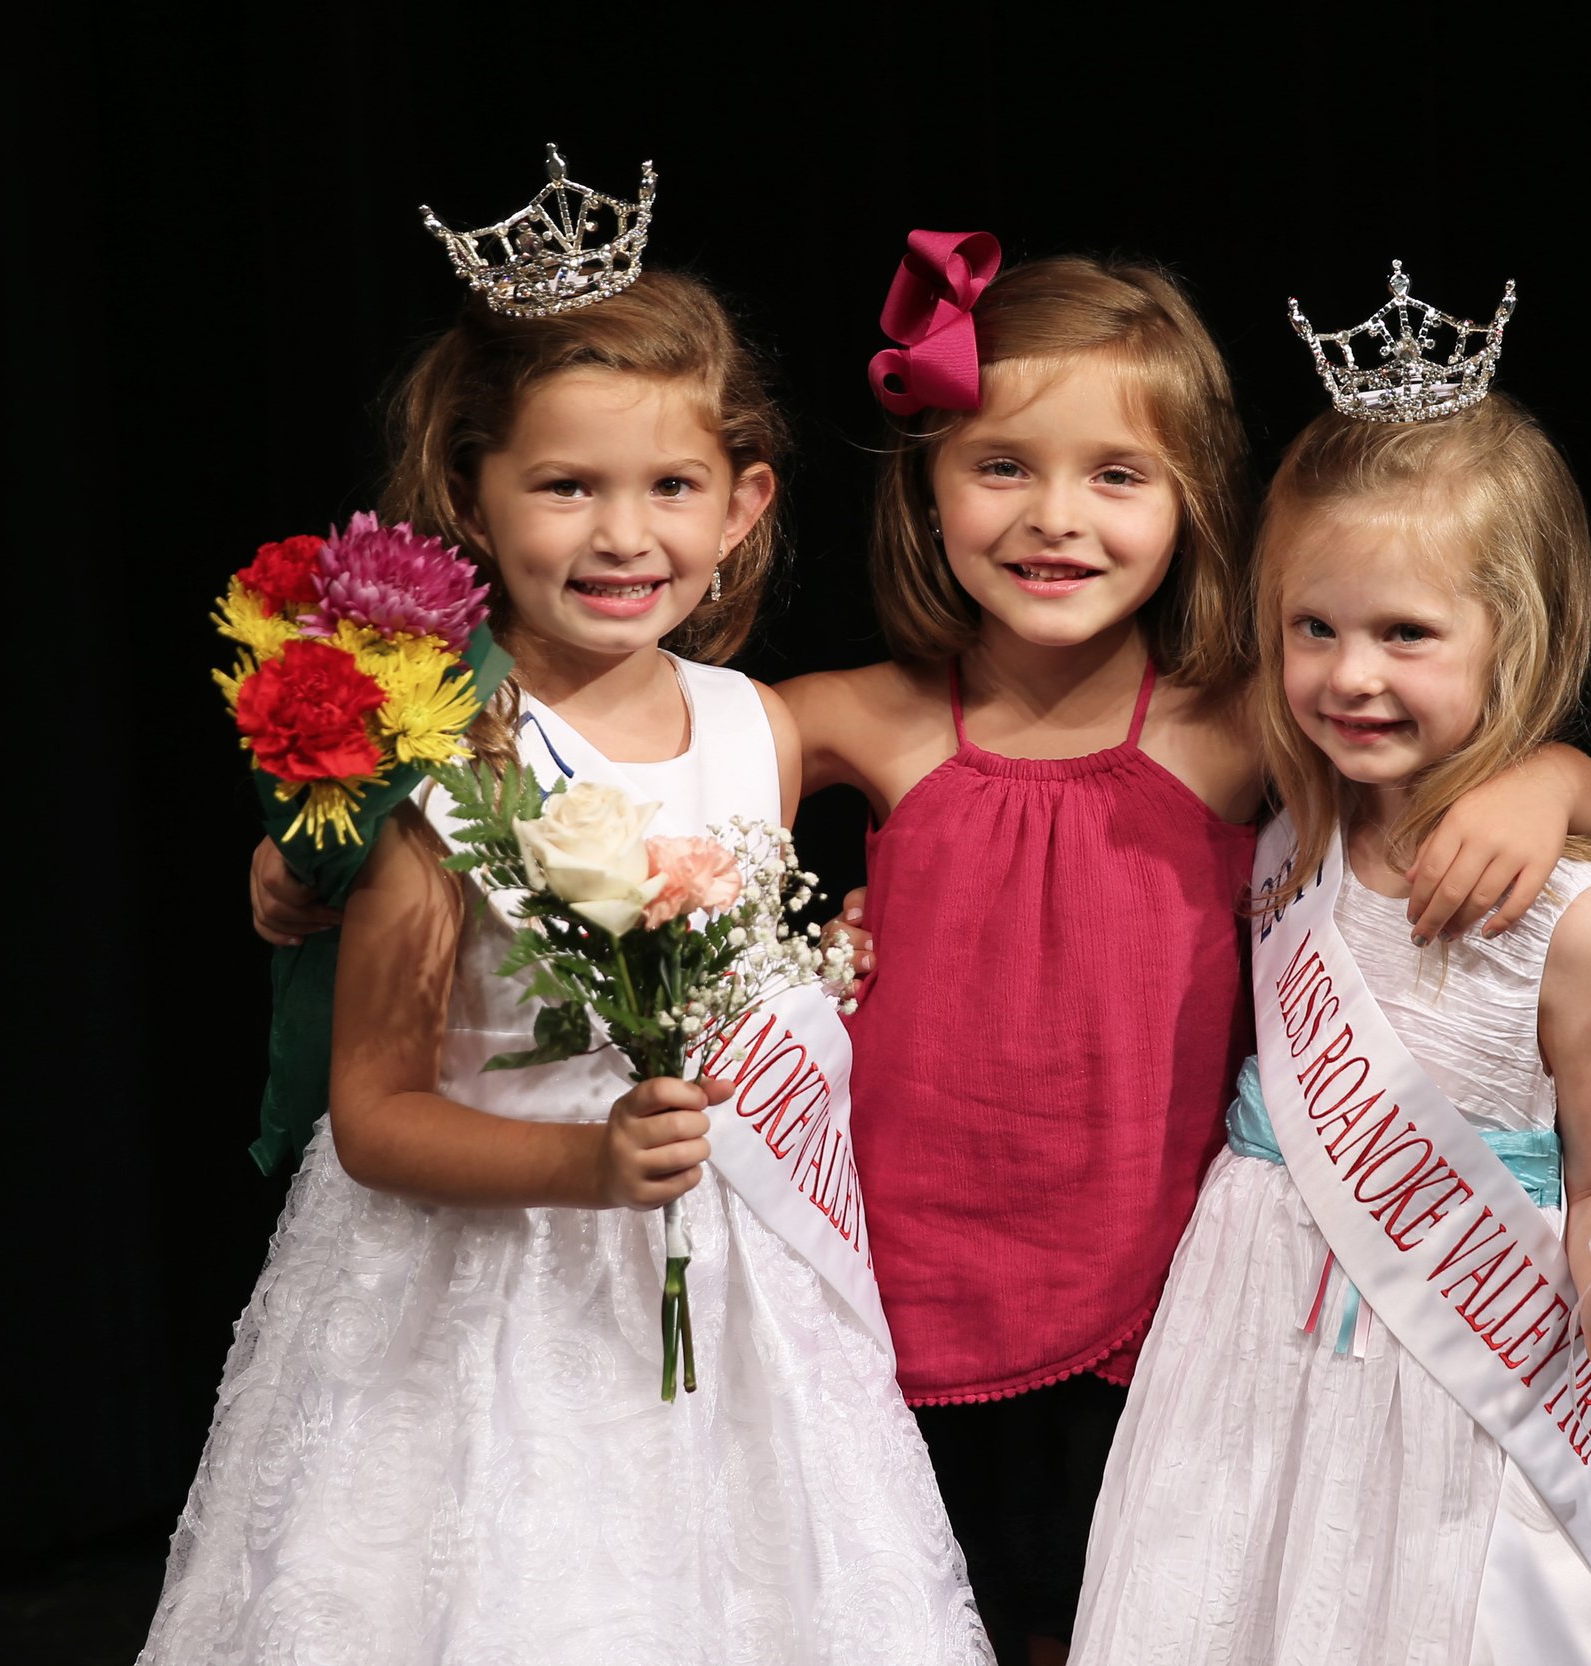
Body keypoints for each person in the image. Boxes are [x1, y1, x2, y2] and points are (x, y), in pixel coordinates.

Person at [144, 162, 990, 1665]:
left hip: (731, 1310)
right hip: (487, 1316)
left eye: (669, 488)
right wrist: (586, 1163)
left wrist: (823, 960)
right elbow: (375, 1116)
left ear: (744, 505)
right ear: (471, 494)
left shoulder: (760, 731)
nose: (622, 536)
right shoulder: (443, 762)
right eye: (566, 486)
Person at [778, 235, 1591, 1664]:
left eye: (1117, 474)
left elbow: (1466, 757)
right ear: (925, 484)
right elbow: (631, 758)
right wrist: (314, 854)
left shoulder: (1243, 727)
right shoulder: (860, 719)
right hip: (900, 1324)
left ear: (1193, 506)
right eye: (1002, 466)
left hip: (1159, 1331)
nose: (1056, 518)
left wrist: (1556, 783)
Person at [1070, 373, 1591, 1664]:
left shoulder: (1570, 918)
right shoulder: (1293, 826)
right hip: (1248, 1334)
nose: (1351, 675)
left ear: (1513, 632)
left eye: (1406, 633)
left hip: (1465, 1373)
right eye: (1314, 628)